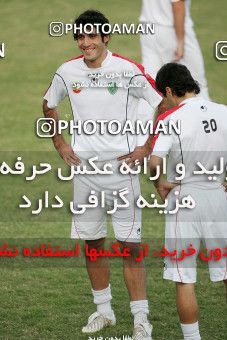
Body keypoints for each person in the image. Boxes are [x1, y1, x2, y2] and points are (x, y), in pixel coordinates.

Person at [43, 9, 162, 339]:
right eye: (81, 37)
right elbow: (48, 103)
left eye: (92, 36)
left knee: (130, 247)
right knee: (92, 244)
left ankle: (141, 320)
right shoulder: (67, 72)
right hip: (84, 174)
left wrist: (144, 149)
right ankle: (104, 311)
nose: (86, 42)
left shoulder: (127, 70)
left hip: (122, 172)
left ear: (106, 38)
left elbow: (161, 104)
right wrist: (59, 143)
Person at [149, 63, 227, 340]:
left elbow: (155, 161)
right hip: (220, 197)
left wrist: (159, 183)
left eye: (163, 95)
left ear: (170, 91)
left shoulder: (171, 119)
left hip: (185, 199)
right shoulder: (224, 112)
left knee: (184, 276)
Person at [139, 0, 210, 100]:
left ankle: (146, 115)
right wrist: (180, 42)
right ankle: (207, 115)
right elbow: (177, 4)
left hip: (148, 27)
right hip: (170, 28)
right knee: (196, 85)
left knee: (150, 83)